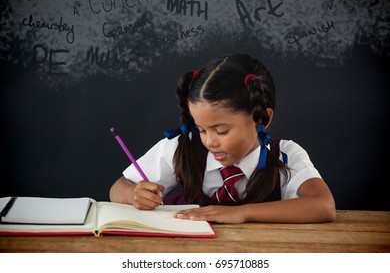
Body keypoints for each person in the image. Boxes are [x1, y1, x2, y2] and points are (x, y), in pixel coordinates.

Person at [110, 53, 336, 224]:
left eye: (222, 131)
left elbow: (324, 206)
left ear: (262, 119)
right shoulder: (182, 147)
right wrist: (133, 195)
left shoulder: (285, 155)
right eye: (201, 129)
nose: (209, 142)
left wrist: (241, 213)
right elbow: (118, 188)